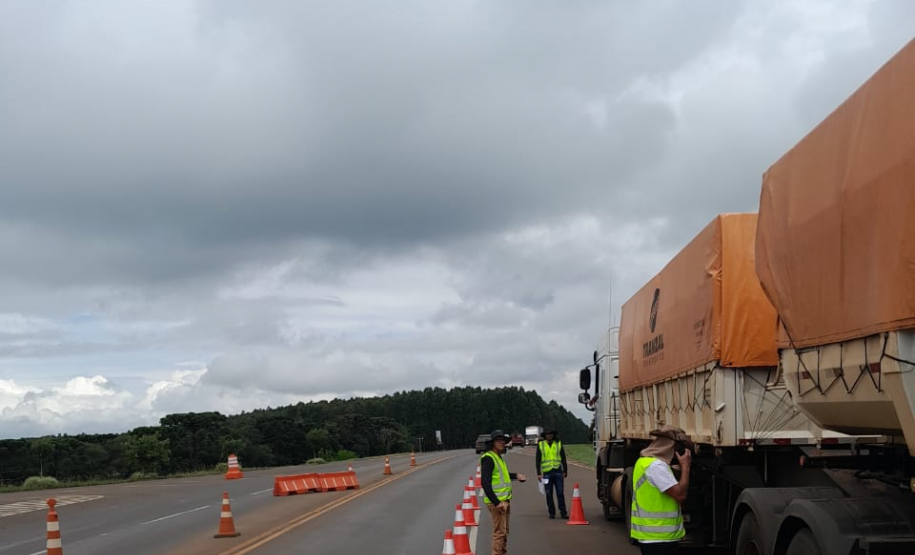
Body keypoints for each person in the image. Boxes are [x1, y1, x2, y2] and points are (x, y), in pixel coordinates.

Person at [630, 425, 694, 554]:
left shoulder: (643, 462)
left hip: (652, 536)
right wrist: (686, 467)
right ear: (671, 447)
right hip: (660, 538)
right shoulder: (656, 467)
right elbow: (680, 495)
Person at [480, 429, 527, 555]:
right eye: (498, 440)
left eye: (503, 440)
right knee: (499, 533)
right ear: (492, 443)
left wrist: (516, 475)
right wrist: (496, 502)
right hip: (497, 503)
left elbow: (503, 475)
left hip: (504, 501)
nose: (501, 442)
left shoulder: (498, 457)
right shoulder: (489, 458)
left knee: (504, 532)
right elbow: (485, 483)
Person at [535, 429, 568, 519]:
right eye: (547, 434)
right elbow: (538, 459)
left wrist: (565, 470)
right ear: (545, 436)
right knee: (549, 493)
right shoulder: (541, 445)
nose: (549, 436)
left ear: (553, 435)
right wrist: (538, 473)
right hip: (546, 473)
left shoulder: (558, 443)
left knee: (560, 493)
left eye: (551, 434)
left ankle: (563, 512)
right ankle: (551, 512)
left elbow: (563, 457)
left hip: (558, 471)